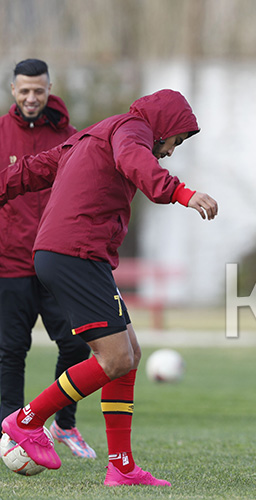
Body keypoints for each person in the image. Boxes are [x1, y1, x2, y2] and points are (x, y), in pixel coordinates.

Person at [0, 89, 218, 486]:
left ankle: (121, 468)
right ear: (164, 128)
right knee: (114, 359)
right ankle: (26, 420)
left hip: (74, 254)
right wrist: (182, 192)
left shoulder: (96, 134)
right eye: (175, 141)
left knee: (130, 353)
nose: (170, 151)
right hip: (74, 253)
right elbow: (136, 160)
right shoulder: (132, 130)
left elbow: (31, 170)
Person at [0, 59, 96, 459]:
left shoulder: (71, 137)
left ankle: (63, 424)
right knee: (10, 351)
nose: (31, 98)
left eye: (38, 90)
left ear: (49, 87)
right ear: (13, 91)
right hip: (10, 263)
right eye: (24, 91)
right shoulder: (1, 135)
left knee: (77, 347)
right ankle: (10, 433)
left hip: (57, 263)